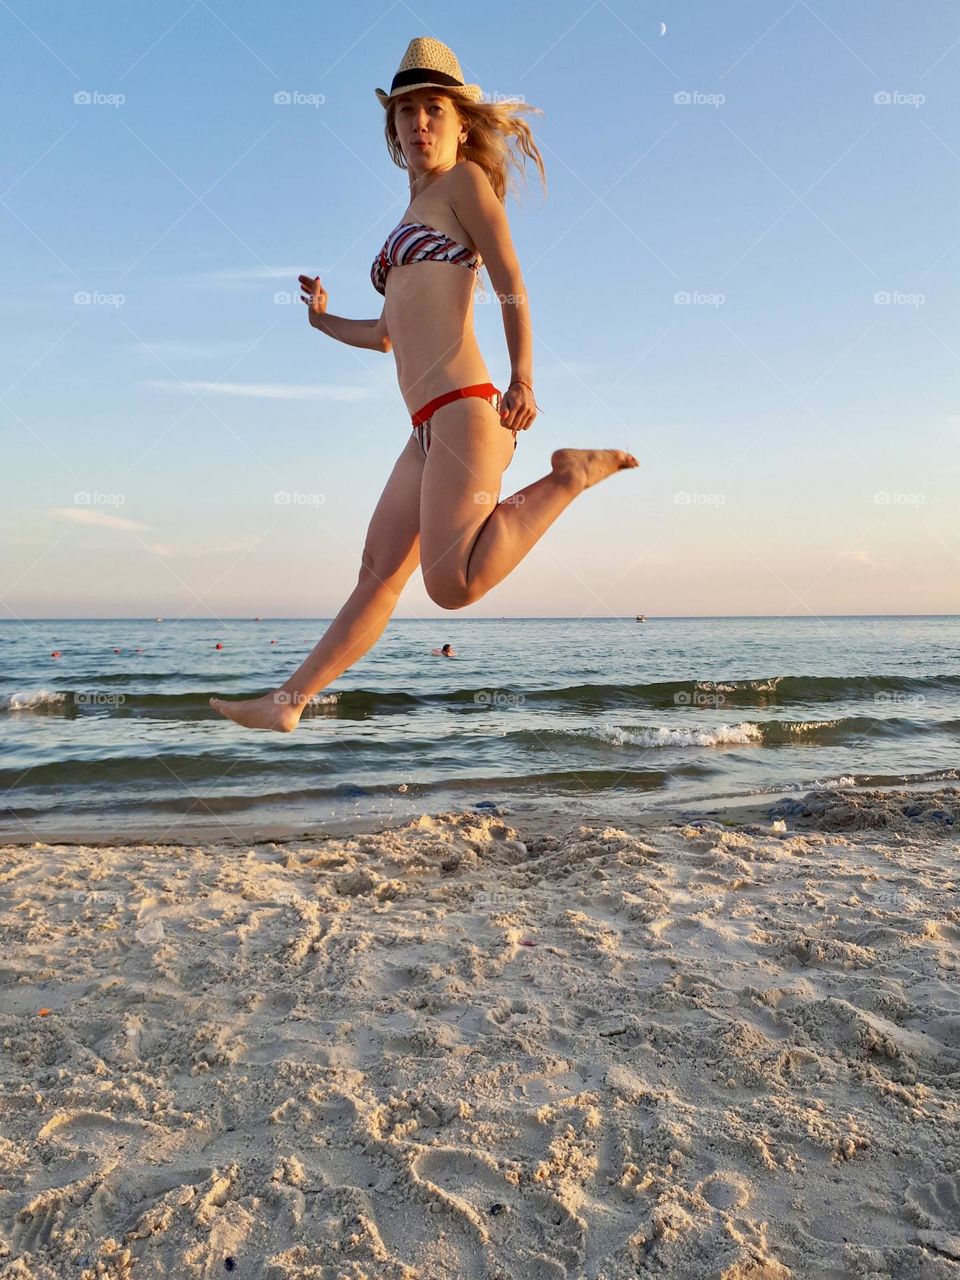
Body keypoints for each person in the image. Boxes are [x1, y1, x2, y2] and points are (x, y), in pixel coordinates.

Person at [211, 36, 638, 733]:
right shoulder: (412, 214)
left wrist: (523, 374)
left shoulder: (464, 185)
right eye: (406, 112)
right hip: (425, 427)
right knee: (378, 570)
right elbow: (386, 334)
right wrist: (322, 323)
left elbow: (510, 282)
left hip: (470, 411)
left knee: (453, 585)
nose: (419, 124)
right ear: (393, 127)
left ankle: (569, 476)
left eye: (434, 109)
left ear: (461, 121)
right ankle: (288, 703)